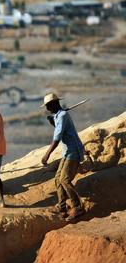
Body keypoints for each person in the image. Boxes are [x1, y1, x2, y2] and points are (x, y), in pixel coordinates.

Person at [40, 93, 85, 222]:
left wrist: (47, 154)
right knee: (57, 179)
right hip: (67, 152)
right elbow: (62, 130)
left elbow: (57, 138)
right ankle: (62, 206)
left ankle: (77, 207)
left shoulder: (63, 116)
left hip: (73, 152)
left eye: (48, 106)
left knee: (64, 180)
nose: (48, 109)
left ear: (54, 104)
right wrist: (53, 122)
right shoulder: (60, 116)